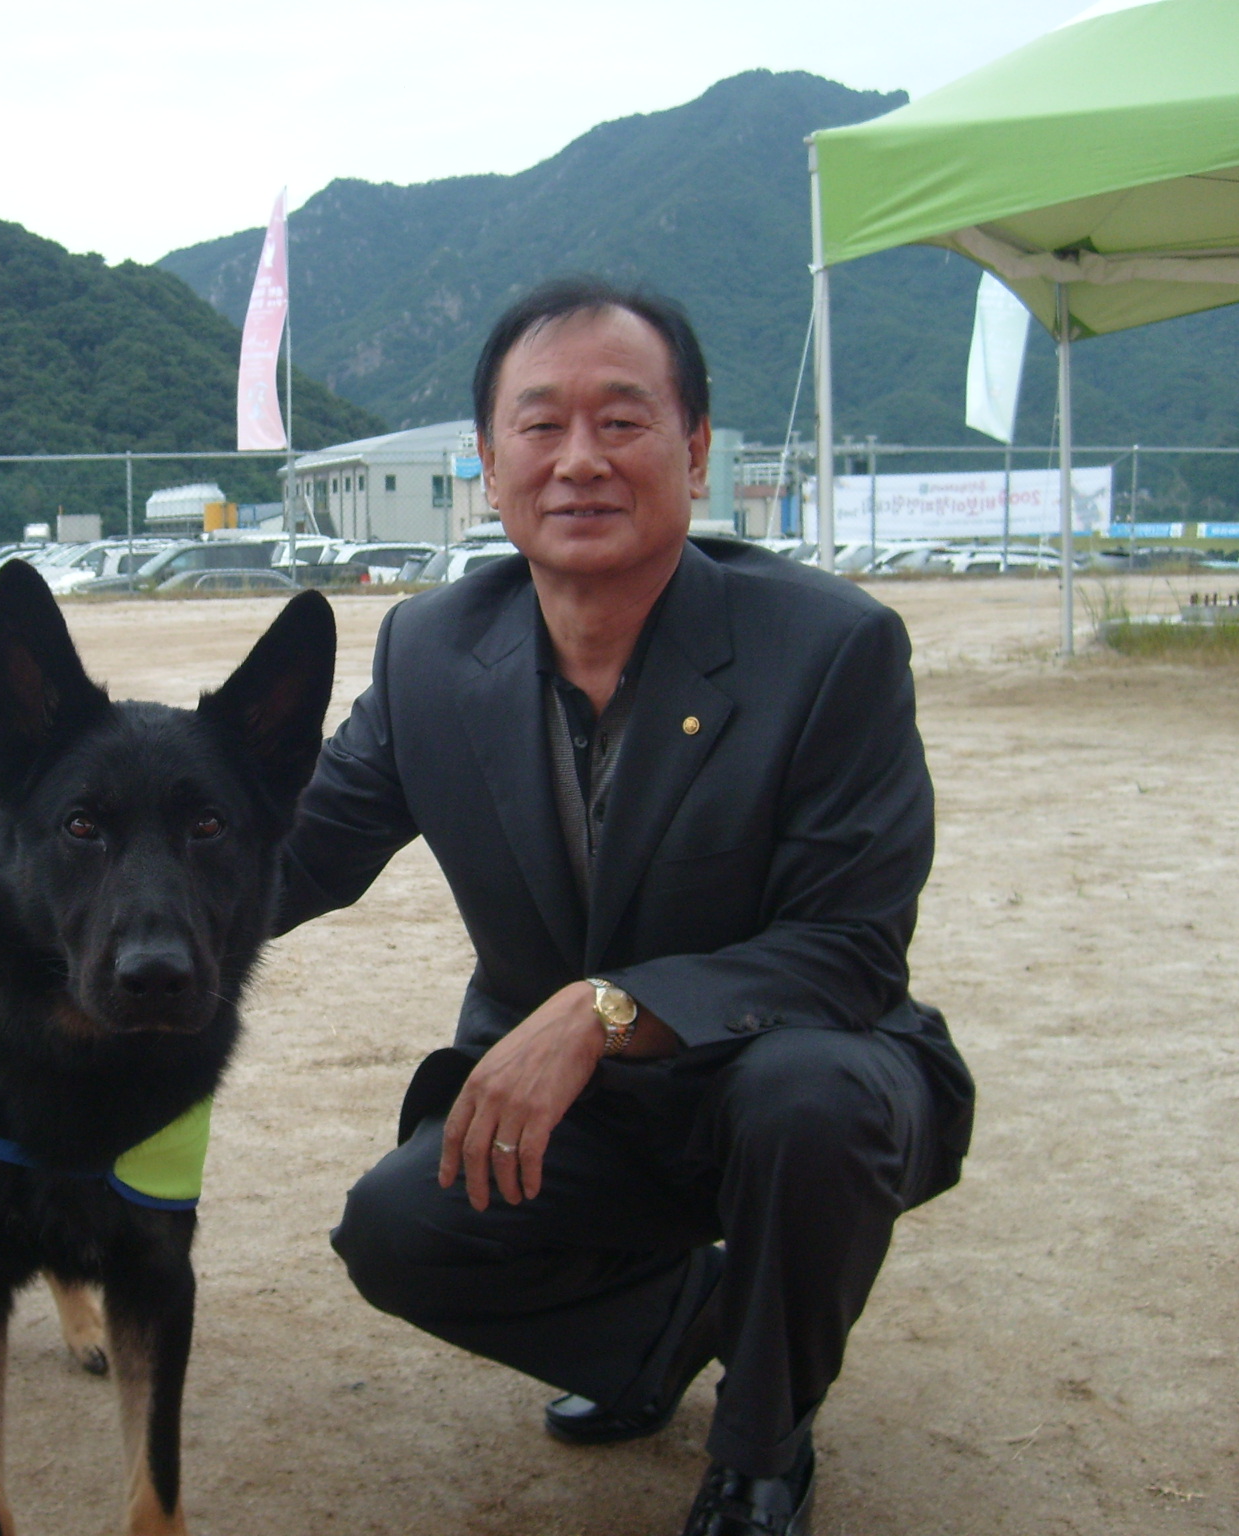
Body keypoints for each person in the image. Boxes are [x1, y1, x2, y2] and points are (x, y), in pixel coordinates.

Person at [275, 277, 973, 1536]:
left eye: (621, 421)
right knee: (393, 1231)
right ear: (487, 463)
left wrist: (600, 1012)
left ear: (694, 450)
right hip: (584, 1121)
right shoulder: (430, 650)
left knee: (806, 1100)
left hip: (789, 1084)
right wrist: (79, 894)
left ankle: (761, 1445)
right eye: (539, 426)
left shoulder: (829, 648)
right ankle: (684, 1333)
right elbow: (300, 855)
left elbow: (847, 951)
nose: (578, 461)